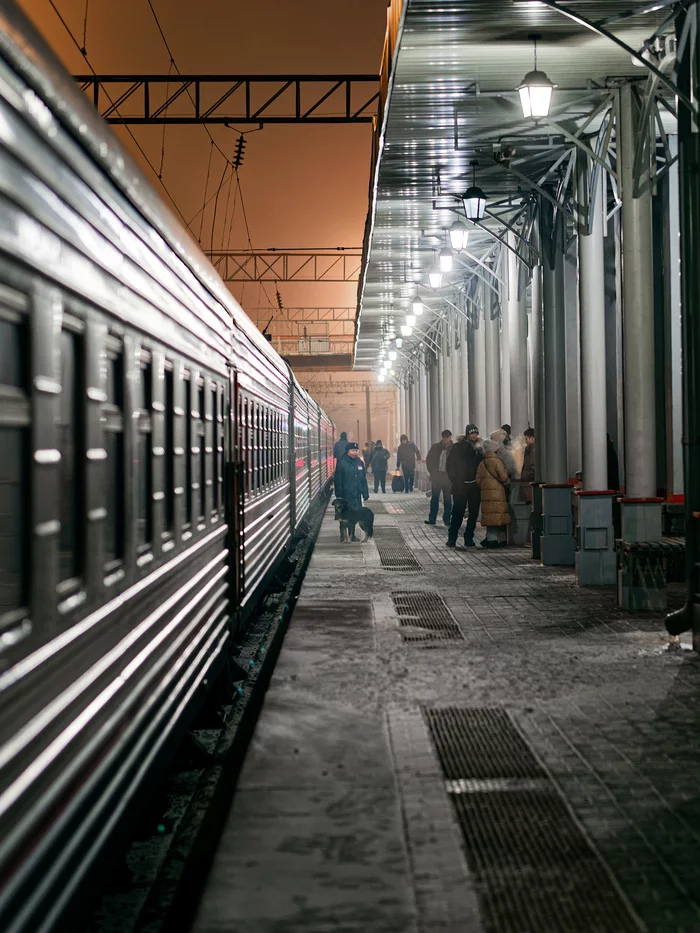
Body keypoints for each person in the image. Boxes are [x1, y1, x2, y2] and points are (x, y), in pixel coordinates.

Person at [446, 424, 483, 547]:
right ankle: (452, 537)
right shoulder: (458, 447)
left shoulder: (480, 448)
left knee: (473, 513)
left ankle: (469, 538)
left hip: (474, 485)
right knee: (458, 512)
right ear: (467, 434)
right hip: (460, 485)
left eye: (475, 433)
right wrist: (455, 479)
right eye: (472, 433)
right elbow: (450, 464)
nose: (474, 435)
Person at [476, 439, 511, 548]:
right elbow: (503, 477)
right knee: (497, 515)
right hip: (498, 493)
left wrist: (485, 486)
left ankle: (491, 539)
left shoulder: (482, 463)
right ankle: (499, 539)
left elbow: (477, 479)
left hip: (486, 494)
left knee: (490, 516)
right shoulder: (497, 462)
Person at [334, 442, 369, 541]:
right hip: (346, 495)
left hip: (356, 494)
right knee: (345, 516)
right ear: (348, 451)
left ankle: (352, 535)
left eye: (357, 450)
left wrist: (365, 492)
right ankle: (343, 535)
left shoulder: (359, 462)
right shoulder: (342, 462)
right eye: (353, 450)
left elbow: (363, 479)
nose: (356, 452)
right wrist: (339, 495)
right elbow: (338, 480)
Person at [424, 430, 453, 526]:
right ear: (442, 437)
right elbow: (429, 461)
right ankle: (432, 519)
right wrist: (433, 474)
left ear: (450, 437)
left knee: (447, 499)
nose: (446, 439)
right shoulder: (435, 447)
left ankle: (447, 519)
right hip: (437, 477)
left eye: (447, 437)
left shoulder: (453, 448)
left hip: (448, 478)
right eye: (444, 437)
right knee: (435, 498)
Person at [520, 428, 536, 503]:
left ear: (532, 439)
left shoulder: (533, 451)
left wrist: (524, 476)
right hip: (528, 482)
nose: (525, 441)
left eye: (526, 438)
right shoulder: (528, 449)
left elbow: (534, 468)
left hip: (530, 483)